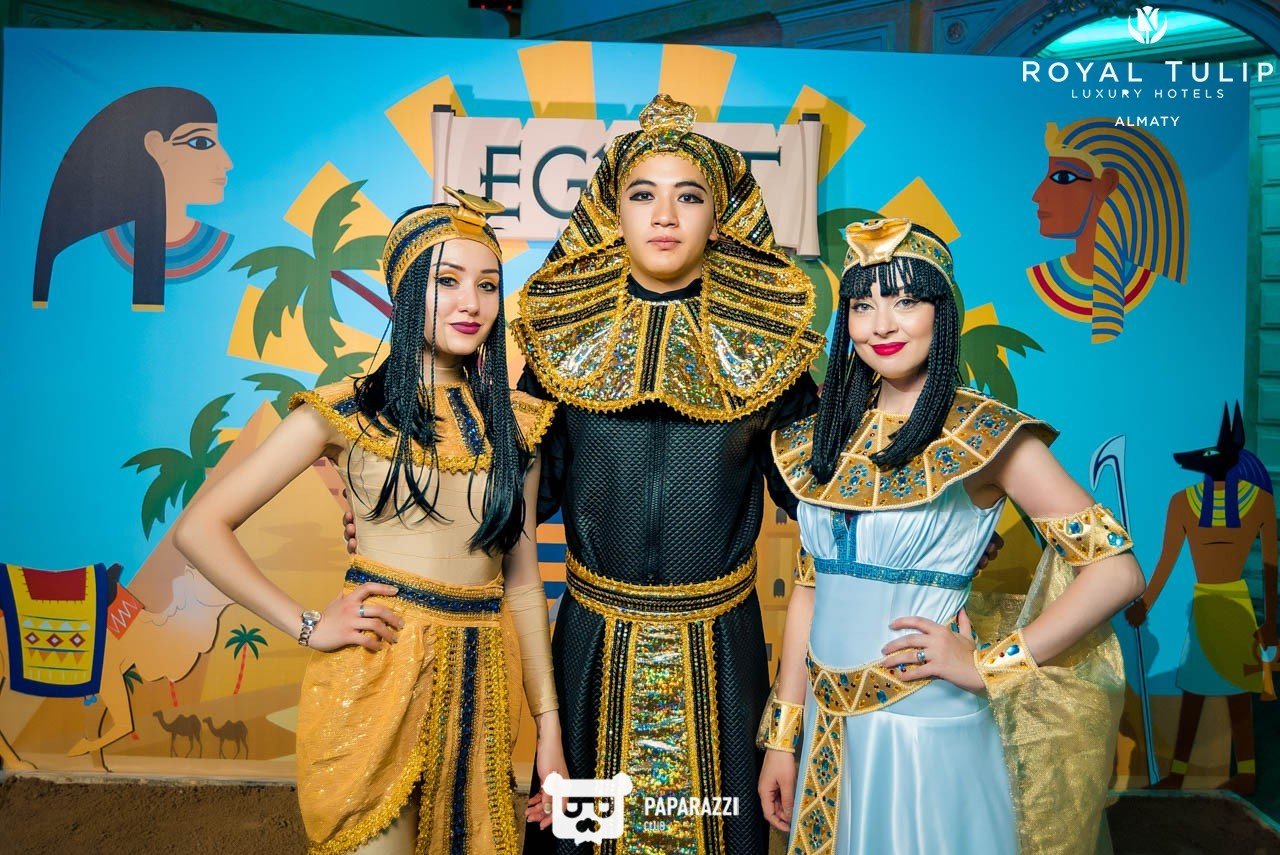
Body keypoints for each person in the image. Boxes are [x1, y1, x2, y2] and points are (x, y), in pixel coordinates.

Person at [174, 188, 566, 855]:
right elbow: (198, 529)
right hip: (373, 679)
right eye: (447, 280)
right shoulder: (345, 413)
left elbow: (524, 583)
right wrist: (307, 624)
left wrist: (548, 732)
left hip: (482, 688)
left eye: (488, 285)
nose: (471, 303)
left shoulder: (517, 427)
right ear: (406, 291)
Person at [758, 217, 1146, 854]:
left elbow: (1117, 571)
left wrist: (991, 664)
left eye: (905, 301)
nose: (881, 324)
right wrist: (782, 737)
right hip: (828, 737)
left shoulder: (987, 435)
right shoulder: (824, 435)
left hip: (924, 732)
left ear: (942, 311)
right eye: (862, 306)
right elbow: (810, 590)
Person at [512, 93, 826, 854]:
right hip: (592, 650)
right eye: (642, 195)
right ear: (611, 212)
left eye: (688, 197)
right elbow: (506, 509)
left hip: (724, 655)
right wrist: (383, 496)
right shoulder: (558, 342)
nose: (664, 216)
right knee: (586, 837)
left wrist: (936, 525)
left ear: (718, 217)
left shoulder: (769, 346)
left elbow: (828, 517)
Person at [34, 86, 234, 310]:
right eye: (201, 143)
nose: (227, 162)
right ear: (156, 147)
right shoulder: (80, 258)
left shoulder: (237, 259)